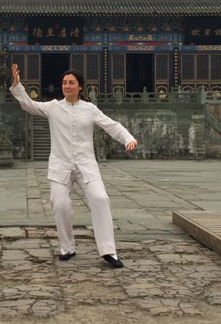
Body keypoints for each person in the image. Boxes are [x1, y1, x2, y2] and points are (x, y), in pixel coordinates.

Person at [10, 64, 138, 268]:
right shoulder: (53, 107)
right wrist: (18, 85)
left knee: (100, 199)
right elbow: (28, 105)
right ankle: (67, 248)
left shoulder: (90, 109)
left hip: (86, 164)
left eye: (71, 83)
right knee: (60, 204)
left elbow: (111, 125)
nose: (67, 86)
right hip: (60, 164)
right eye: (64, 83)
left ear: (80, 87)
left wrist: (127, 138)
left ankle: (108, 251)